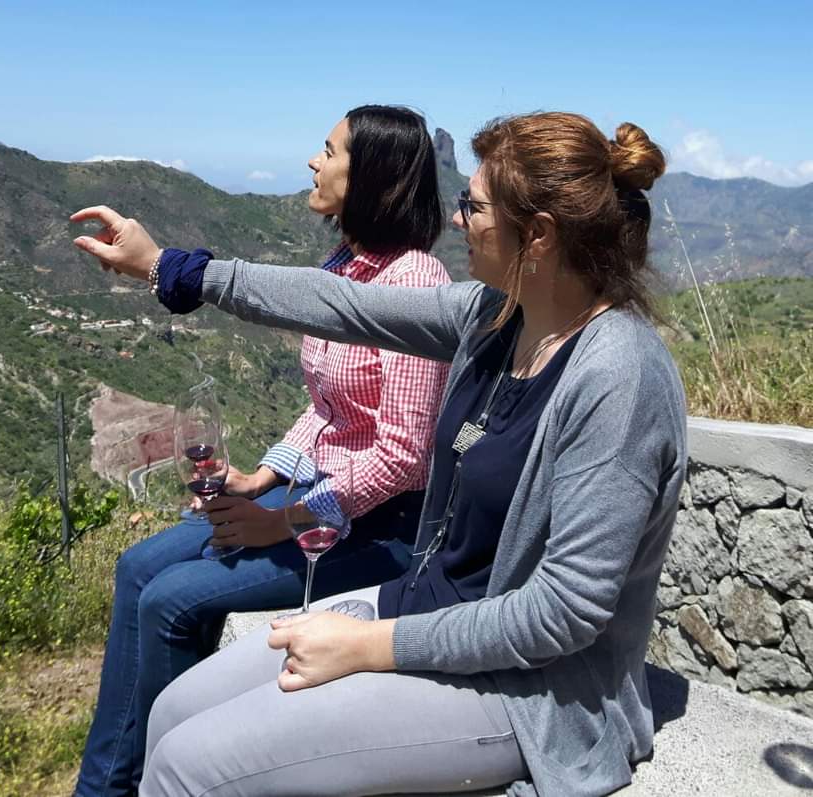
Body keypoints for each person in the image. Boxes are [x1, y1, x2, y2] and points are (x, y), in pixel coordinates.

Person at [72, 111, 687, 797]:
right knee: (173, 712)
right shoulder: (495, 317)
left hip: (527, 692)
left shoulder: (618, 376)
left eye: (473, 206)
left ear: (538, 235)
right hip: (419, 605)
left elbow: (563, 613)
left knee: (192, 763)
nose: (457, 220)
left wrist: (368, 645)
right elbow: (340, 304)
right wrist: (170, 268)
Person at [70, 105, 453, 797]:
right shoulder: (344, 265)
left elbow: (404, 457)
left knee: (172, 600)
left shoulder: (415, 283)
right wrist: (261, 477)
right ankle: (103, 786)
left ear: (370, 176)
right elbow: (331, 408)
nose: (313, 160)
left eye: (328, 150)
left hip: (378, 524)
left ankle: (164, 776)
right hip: (312, 496)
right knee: (136, 567)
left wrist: (284, 520)